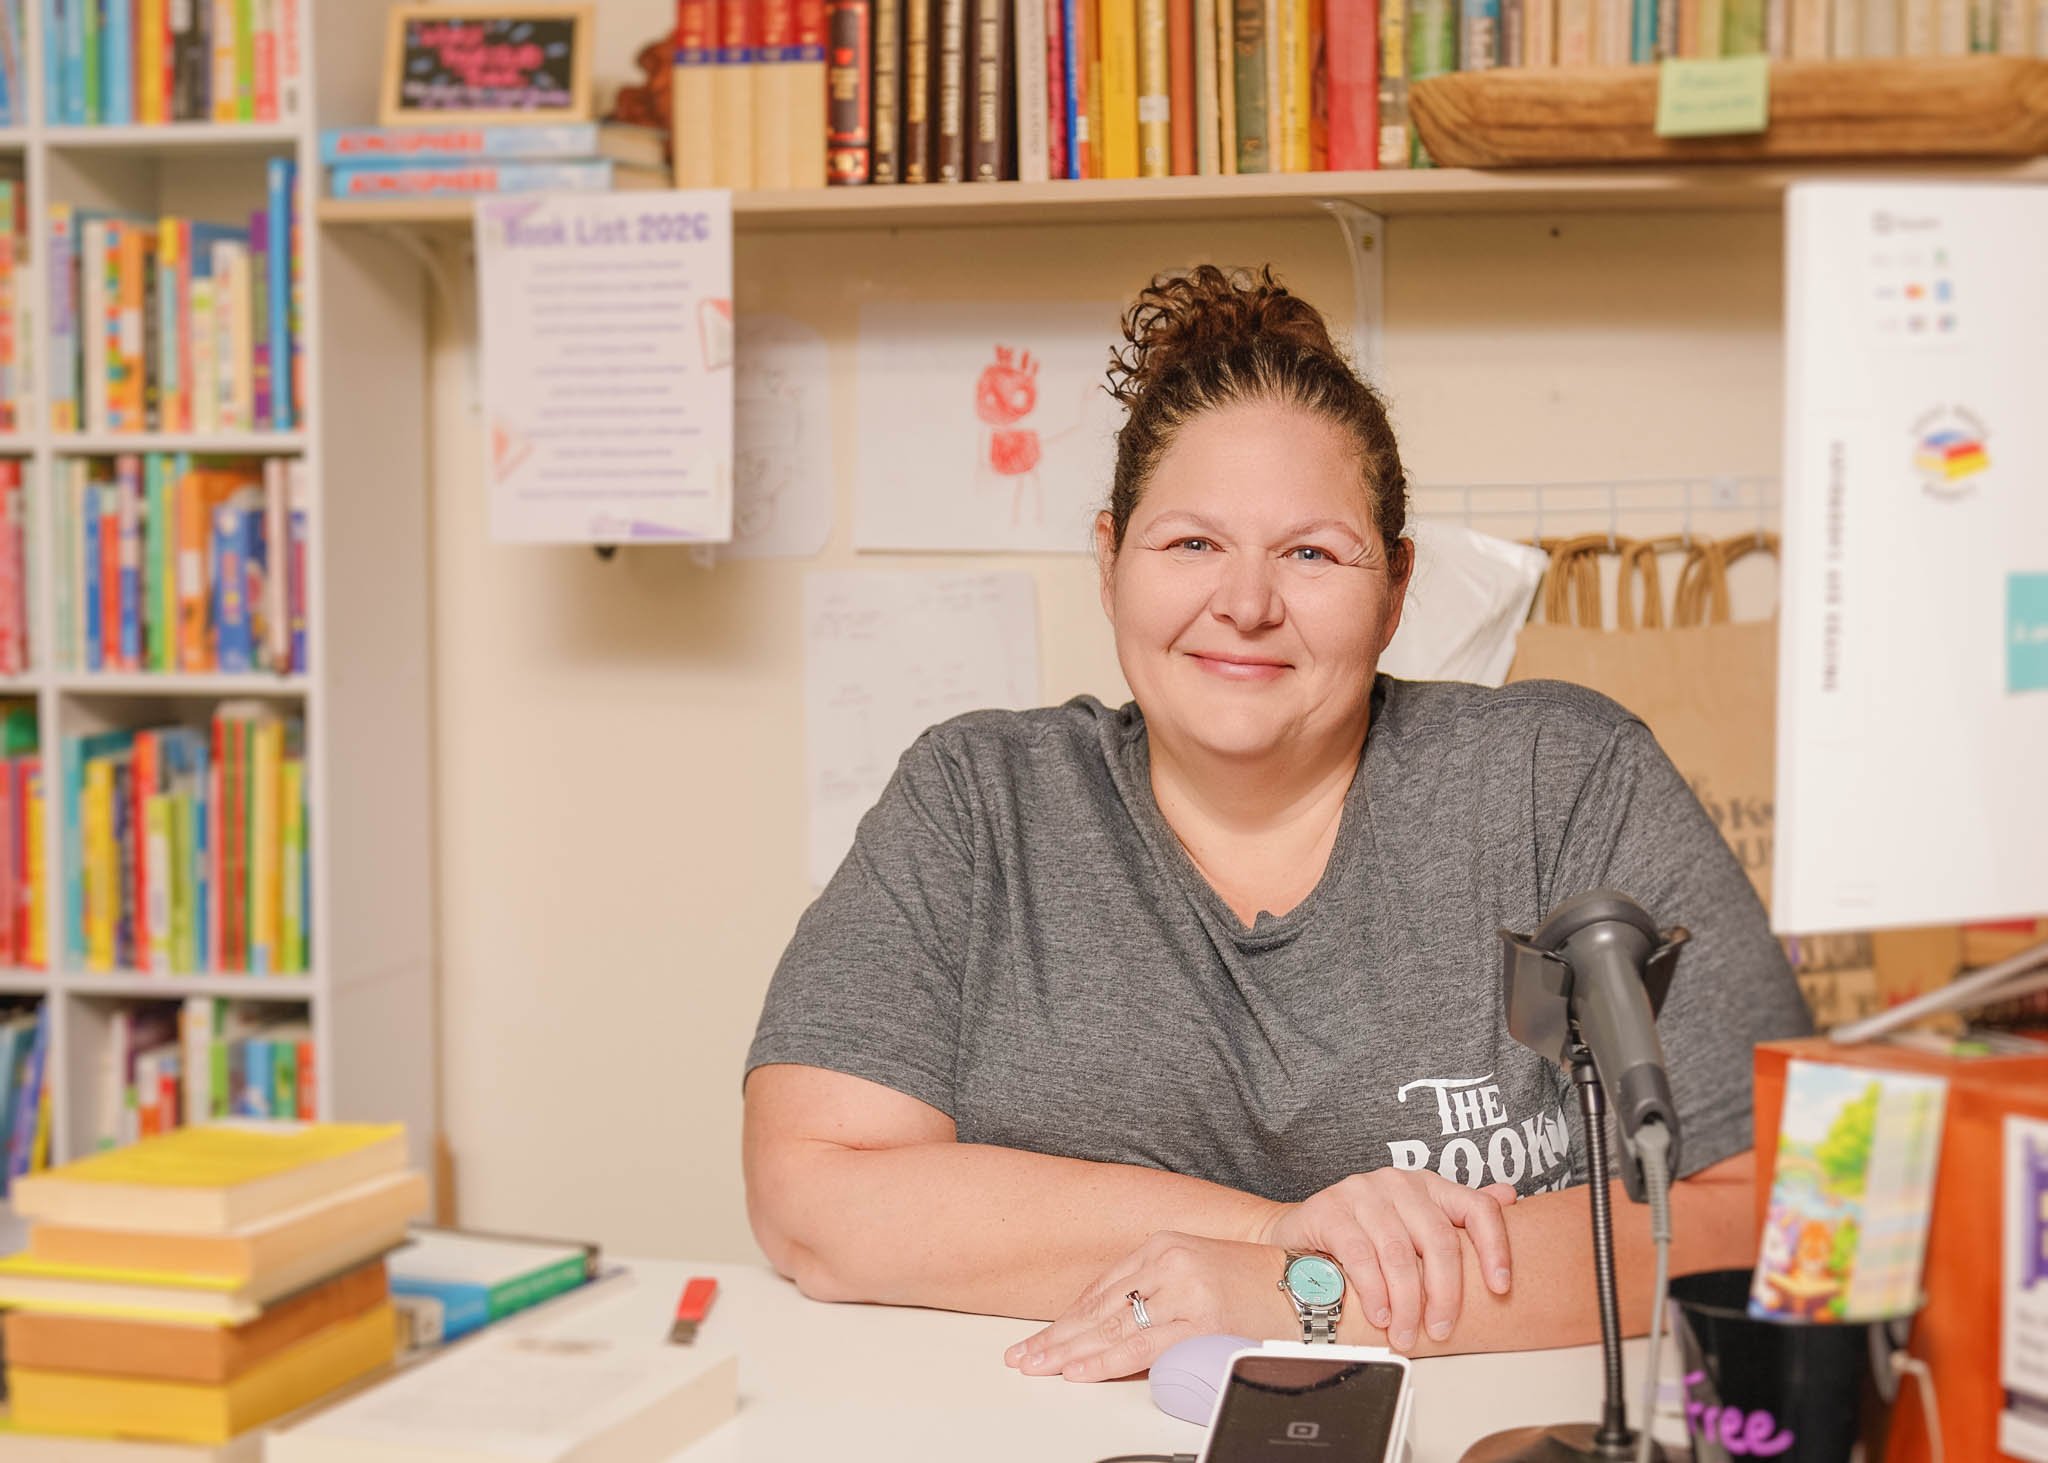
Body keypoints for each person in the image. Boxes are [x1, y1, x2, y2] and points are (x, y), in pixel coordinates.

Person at [742, 264, 1811, 1383]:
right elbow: (811, 1195)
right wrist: (1269, 1232)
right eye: (1190, 544)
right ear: (1107, 561)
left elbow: (1779, 1206)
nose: (1245, 603)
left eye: (1309, 552)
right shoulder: (976, 798)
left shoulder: (1560, 780)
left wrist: (1301, 1296)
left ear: (1395, 587)